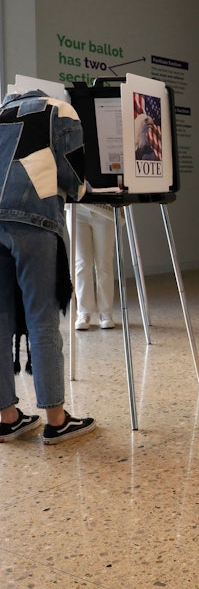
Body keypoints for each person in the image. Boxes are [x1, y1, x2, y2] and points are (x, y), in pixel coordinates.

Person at [0, 89, 97, 444]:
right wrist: (81, 190)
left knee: (0, 318)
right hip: (34, 217)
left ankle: (6, 417)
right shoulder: (59, 108)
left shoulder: (0, 112)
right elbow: (72, 171)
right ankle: (56, 419)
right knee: (41, 317)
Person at [67, 203, 117, 330]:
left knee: (104, 263)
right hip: (77, 207)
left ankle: (105, 312)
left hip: (105, 208)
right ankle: (83, 312)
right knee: (81, 263)